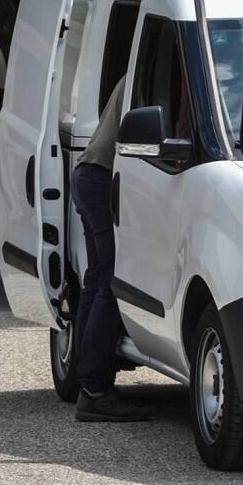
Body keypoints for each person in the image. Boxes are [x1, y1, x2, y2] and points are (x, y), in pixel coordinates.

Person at [70, 77, 150, 423]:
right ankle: (95, 391)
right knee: (109, 282)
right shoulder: (161, 61)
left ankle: (87, 382)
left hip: (90, 174)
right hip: (104, 178)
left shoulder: (139, 62)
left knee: (98, 278)